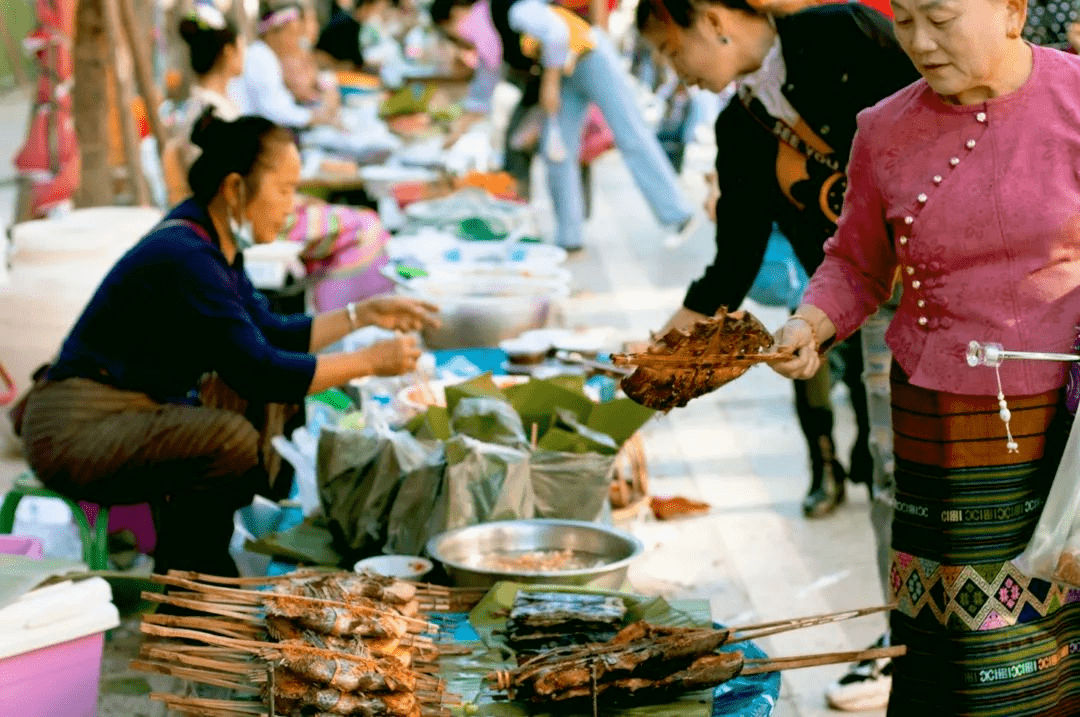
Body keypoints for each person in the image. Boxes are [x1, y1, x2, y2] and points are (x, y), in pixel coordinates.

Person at [769, 0, 1080, 710]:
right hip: (944, 428)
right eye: (904, 20)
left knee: (1063, 633)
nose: (919, 41)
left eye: (939, 18)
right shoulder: (883, 129)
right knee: (962, 649)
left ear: (1012, 10)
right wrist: (811, 324)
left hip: (1066, 423)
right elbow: (854, 262)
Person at [18, 112, 439, 578]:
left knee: (253, 412)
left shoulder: (211, 241)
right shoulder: (188, 257)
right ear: (236, 187)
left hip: (124, 413)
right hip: (75, 429)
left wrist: (363, 314)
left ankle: (200, 568)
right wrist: (369, 362)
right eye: (283, 190)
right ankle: (192, 582)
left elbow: (269, 331)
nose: (291, 206)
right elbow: (261, 370)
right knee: (229, 437)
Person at [169, 7, 395, 312]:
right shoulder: (217, 117)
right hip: (253, 222)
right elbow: (244, 191)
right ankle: (345, 319)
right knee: (367, 226)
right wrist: (294, 200)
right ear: (228, 53)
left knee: (357, 220)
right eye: (240, 48)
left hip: (249, 215)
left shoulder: (202, 109)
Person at [437, 0, 697, 251]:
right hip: (564, 74)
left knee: (630, 135)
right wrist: (458, 129)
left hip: (590, 57)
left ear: (459, 11)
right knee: (557, 153)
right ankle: (568, 237)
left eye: (450, 26)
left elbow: (556, 33)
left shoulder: (510, 8)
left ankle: (678, 214)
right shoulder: (490, 38)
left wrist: (549, 85)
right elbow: (484, 86)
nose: (456, 35)